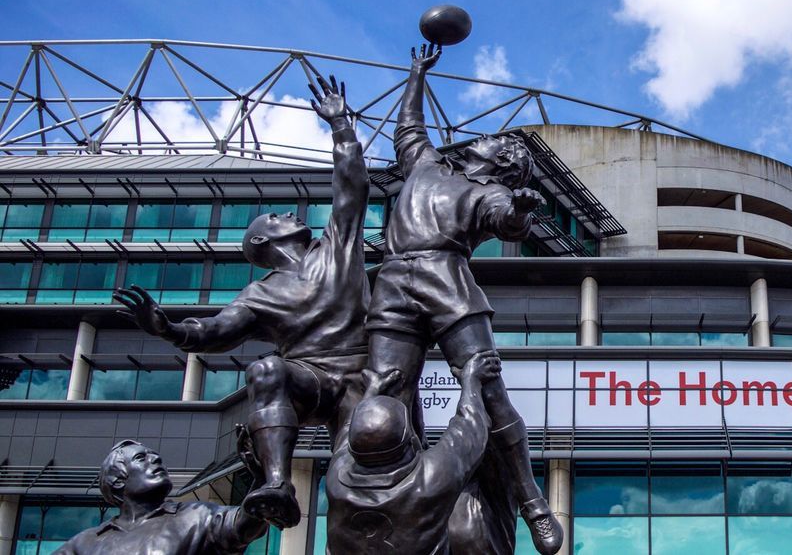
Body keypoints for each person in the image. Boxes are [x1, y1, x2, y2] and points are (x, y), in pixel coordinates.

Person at [114, 75, 370, 529]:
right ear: (261, 240)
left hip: (363, 372)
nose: (289, 213)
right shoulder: (259, 294)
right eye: (276, 215)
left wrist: (341, 127)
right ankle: (277, 484)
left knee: (354, 478)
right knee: (265, 368)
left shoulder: (336, 247)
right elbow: (213, 332)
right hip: (311, 377)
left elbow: (351, 186)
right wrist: (166, 329)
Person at [363, 44, 562, 553]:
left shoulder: (490, 192)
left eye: (499, 143)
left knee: (488, 386)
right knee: (385, 392)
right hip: (391, 283)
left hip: (445, 278)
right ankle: (387, 503)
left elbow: (507, 221)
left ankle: (532, 502)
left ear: (503, 165)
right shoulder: (427, 165)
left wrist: (520, 212)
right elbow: (408, 128)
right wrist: (416, 76)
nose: (488, 139)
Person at [324, 353, 500, 554]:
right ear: (407, 440)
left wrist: (371, 392)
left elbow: (348, 432)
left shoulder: (337, 478)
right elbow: (470, 427)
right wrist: (471, 381)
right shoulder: (429, 477)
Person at [55, 437, 267, 554]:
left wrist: (262, 477)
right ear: (117, 480)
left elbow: (244, 525)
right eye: (141, 458)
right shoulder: (84, 544)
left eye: (155, 456)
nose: (155, 459)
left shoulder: (196, 517)